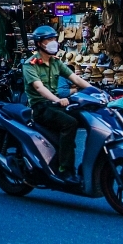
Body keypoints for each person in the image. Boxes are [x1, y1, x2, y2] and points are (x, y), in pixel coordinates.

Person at [22, 25, 92, 185]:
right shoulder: (30, 64)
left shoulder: (56, 62)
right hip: (41, 107)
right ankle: (65, 170)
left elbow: (75, 78)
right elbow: (38, 87)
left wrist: (95, 91)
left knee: (86, 117)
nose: (54, 42)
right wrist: (56, 99)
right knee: (70, 123)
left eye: (54, 39)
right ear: (40, 43)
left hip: (56, 105)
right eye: (49, 39)